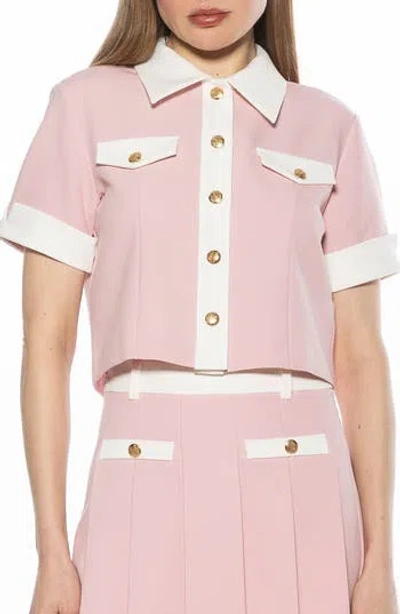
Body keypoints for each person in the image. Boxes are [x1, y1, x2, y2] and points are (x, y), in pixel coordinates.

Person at [0, 1, 399, 613]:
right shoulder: (83, 107)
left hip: (304, 490)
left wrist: (379, 562)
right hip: (140, 482)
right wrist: (50, 552)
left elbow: (362, 358)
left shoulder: (330, 125)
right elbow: (47, 348)